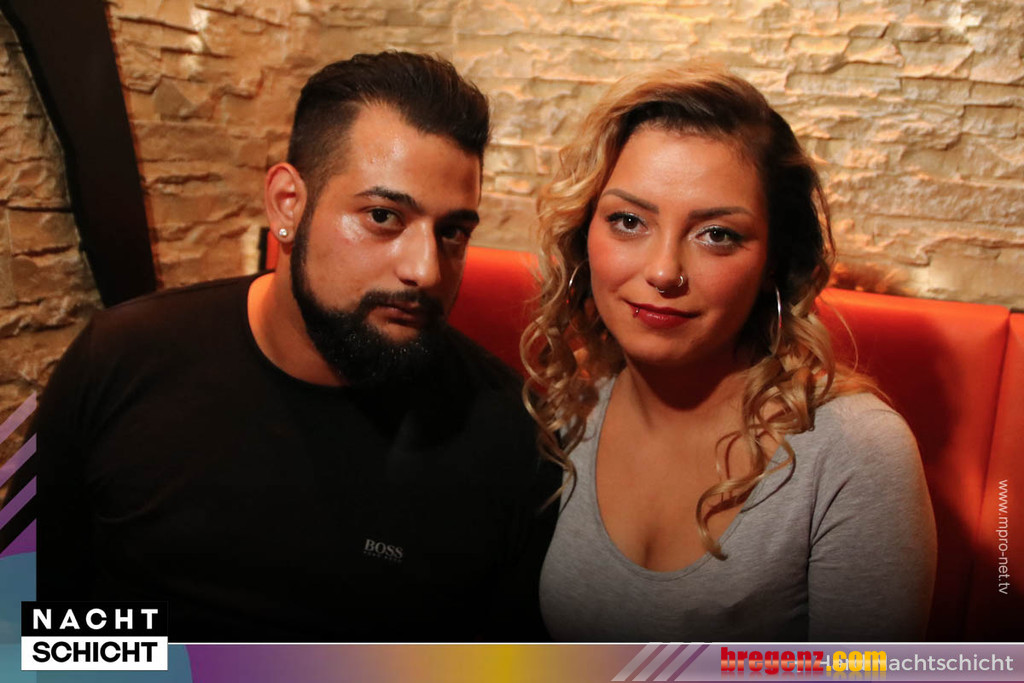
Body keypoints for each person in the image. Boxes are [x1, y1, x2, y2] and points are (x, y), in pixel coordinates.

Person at [28, 51, 558, 642]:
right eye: (383, 216)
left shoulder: (512, 437)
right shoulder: (118, 360)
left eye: (453, 231)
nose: (425, 269)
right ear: (287, 203)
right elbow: (30, 628)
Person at [523, 62, 937, 641]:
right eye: (628, 220)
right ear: (583, 235)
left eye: (717, 234)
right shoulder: (575, 405)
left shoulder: (855, 453)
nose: (663, 271)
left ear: (773, 262)